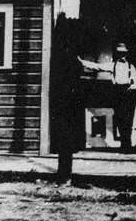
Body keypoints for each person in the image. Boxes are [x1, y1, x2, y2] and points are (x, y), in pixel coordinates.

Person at [78, 43, 136, 151]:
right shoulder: (113, 65)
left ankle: (128, 145)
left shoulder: (131, 66)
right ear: (118, 54)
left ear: (127, 54)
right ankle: (124, 145)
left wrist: (132, 87)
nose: (122, 55)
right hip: (117, 92)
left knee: (128, 119)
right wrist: (82, 62)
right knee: (119, 118)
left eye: (124, 53)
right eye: (120, 53)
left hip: (127, 93)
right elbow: (98, 67)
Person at [50, 14, 85, 183]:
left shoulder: (58, 57)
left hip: (63, 103)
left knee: (64, 141)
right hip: (69, 104)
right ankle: (65, 175)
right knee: (67, 142)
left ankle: (64, 175)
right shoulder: (71, 59)